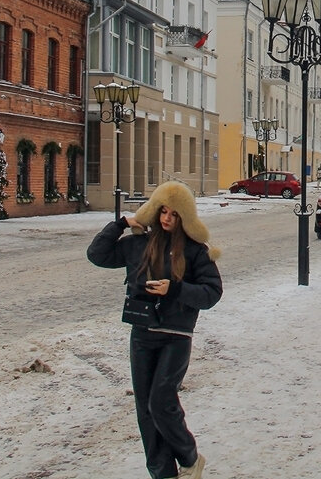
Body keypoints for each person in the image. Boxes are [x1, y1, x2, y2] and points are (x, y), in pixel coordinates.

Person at [88, 181, 222, 479]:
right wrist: (121, 222)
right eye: (162, 211)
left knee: (161, 401)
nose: (166, 219)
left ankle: (189, 458)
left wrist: (174, 289)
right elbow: (97, 255)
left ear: (184, 217)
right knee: (146, 412)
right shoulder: (138, 244)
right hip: (142, 332)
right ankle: (163, 473)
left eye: (174, 214)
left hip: (175, 334)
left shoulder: (195, 250)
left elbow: (211, 293)